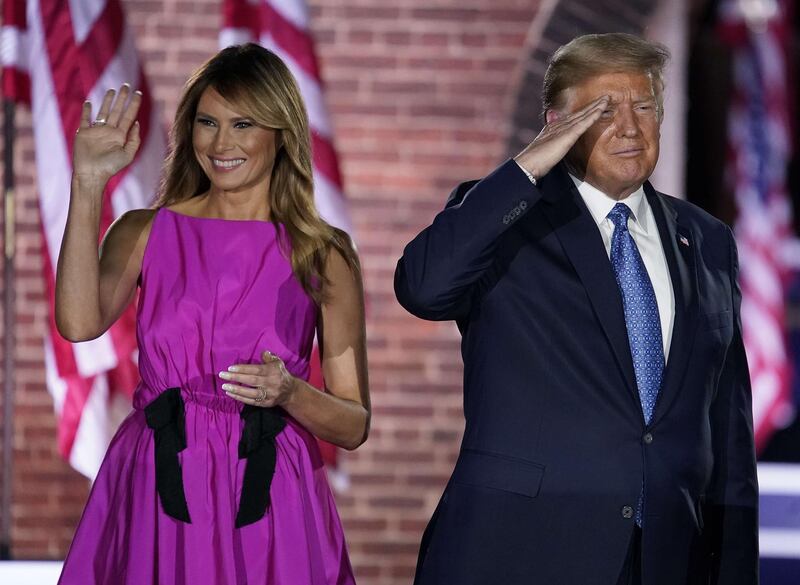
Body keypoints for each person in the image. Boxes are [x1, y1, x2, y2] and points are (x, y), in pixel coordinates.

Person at [395, 33, 758, 585]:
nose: (630, 128)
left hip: (665, 557)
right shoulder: (508, 218)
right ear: (557, 124)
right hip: (519, 551)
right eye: (604, 110)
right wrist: (525, 168)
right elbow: (423, 288)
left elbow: (727, 427)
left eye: (645, 107)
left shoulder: (707, 239)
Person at [55, 43, 369, 585]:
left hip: (269, 494)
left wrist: (291, 393)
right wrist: (87, 186)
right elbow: (78, 323)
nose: (221, 143)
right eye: (207, 122)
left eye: (243, 123)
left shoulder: (322, 253)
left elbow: (353, 423)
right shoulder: (145, 229)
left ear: (281, 133)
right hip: (158, 478)